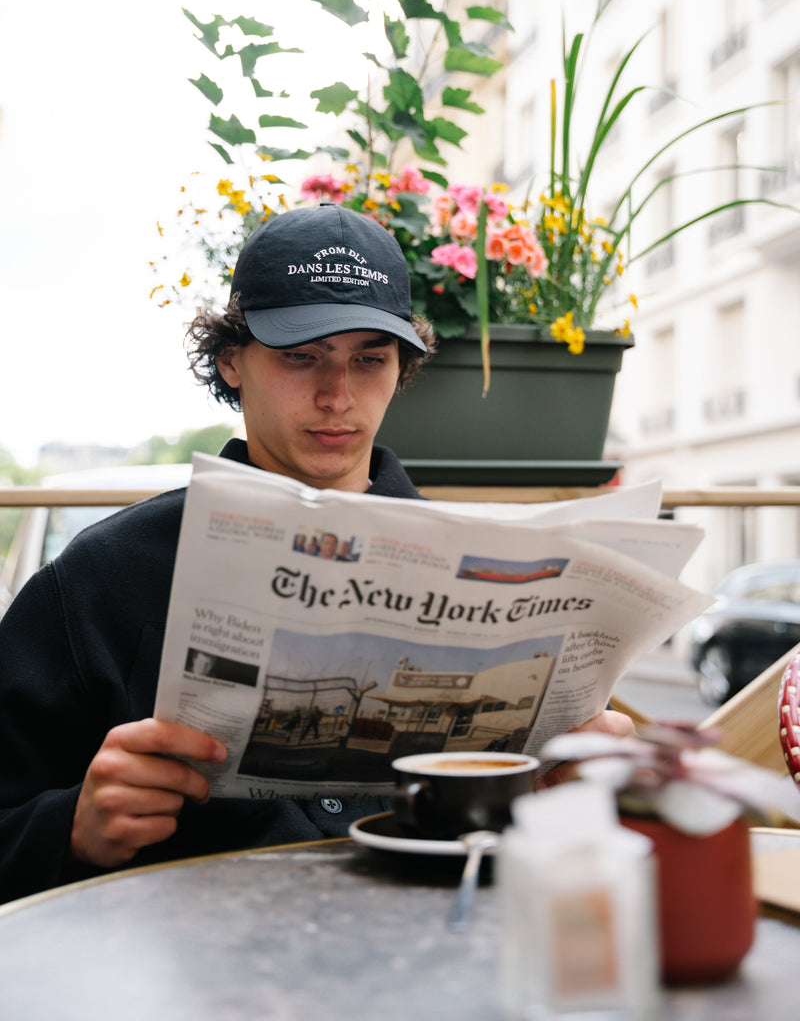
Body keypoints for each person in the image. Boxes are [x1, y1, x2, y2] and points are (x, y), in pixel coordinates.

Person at [0, 203, 633, 905]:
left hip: (435, 954)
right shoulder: (101, 577)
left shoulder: (496, 576)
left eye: (370, 359)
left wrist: (580, 786)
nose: (337, 396)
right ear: (231, 361)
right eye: (302, 357)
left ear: (404, 369)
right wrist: (72, 829)